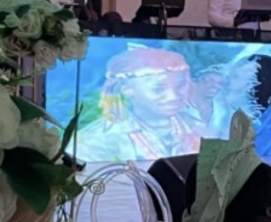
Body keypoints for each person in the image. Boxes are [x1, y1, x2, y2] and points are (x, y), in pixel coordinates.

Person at [73, 47, 202, 162]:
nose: (173, 96)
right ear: (126, 89)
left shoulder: (200, 128)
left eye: (180, 86)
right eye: (158, 89)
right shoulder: (96, 140)